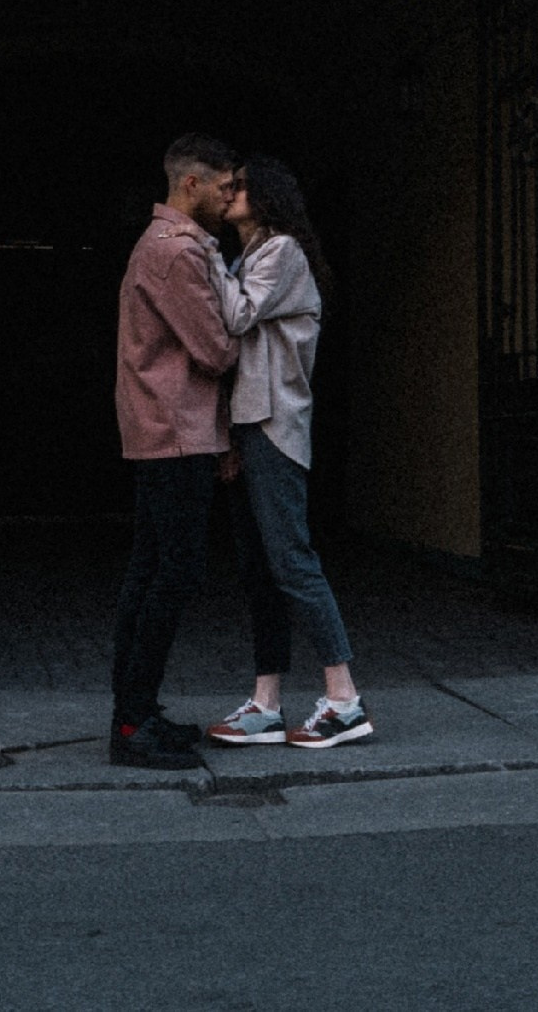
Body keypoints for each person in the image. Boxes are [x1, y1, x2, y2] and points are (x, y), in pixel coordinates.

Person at [204, 156, 370, 750]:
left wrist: (201, 252)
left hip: (274, 426)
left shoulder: (281, 252)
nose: (230, 192)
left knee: (292, 561)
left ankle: (344, 699)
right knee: (260, 569)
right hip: (249, 426)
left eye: (241, 185)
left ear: (268, 197)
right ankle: (267, 703)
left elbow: (237, 315)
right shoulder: (249, 258)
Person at [108, 133, 243, 770]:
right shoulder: (176, 253)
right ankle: (133, 724)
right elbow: (215, 349)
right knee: (173, 576)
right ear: (191, 184)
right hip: (175, 433)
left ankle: (136, 711)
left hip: (167, 431)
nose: (230, 197)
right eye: (223, 187)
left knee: (150, 574)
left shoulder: (164, 246)